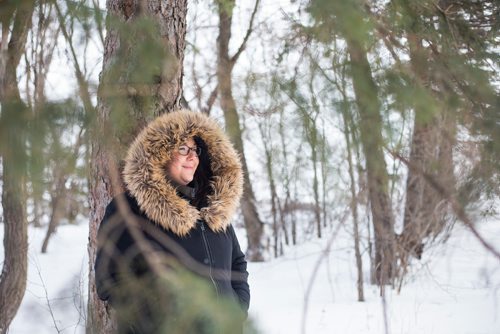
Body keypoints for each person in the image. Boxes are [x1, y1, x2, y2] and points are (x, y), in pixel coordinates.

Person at [94, 109, 250, 333]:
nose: (192, 157)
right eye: (183, 149)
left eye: (196, 150)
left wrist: (237, 309)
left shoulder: (212, 208)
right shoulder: (130, 208)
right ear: (160, 154)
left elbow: (237, 265)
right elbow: (110, 280)